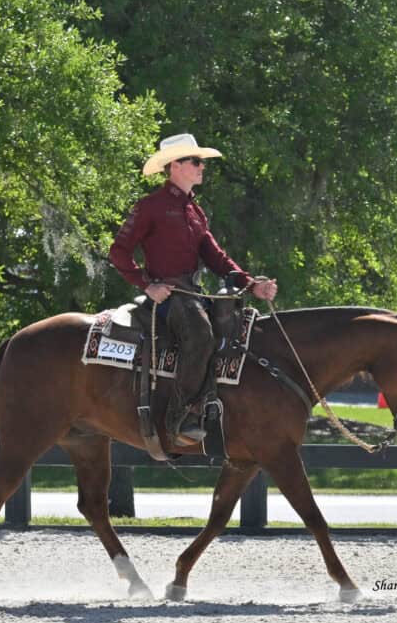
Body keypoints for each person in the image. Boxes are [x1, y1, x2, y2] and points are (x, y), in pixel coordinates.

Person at [109, 133, 278, 447]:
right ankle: (180, 414)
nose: (202, 167)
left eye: (201, 161)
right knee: (201, 335)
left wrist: (251, 284)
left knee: (236, 331)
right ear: (175, 165)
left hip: (193, 293)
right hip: (169, 295)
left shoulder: (195, 212)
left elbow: (216, 257)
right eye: (196, 161)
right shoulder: (150, 207)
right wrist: (147, 285)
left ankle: (217, 406)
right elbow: (119, 252)